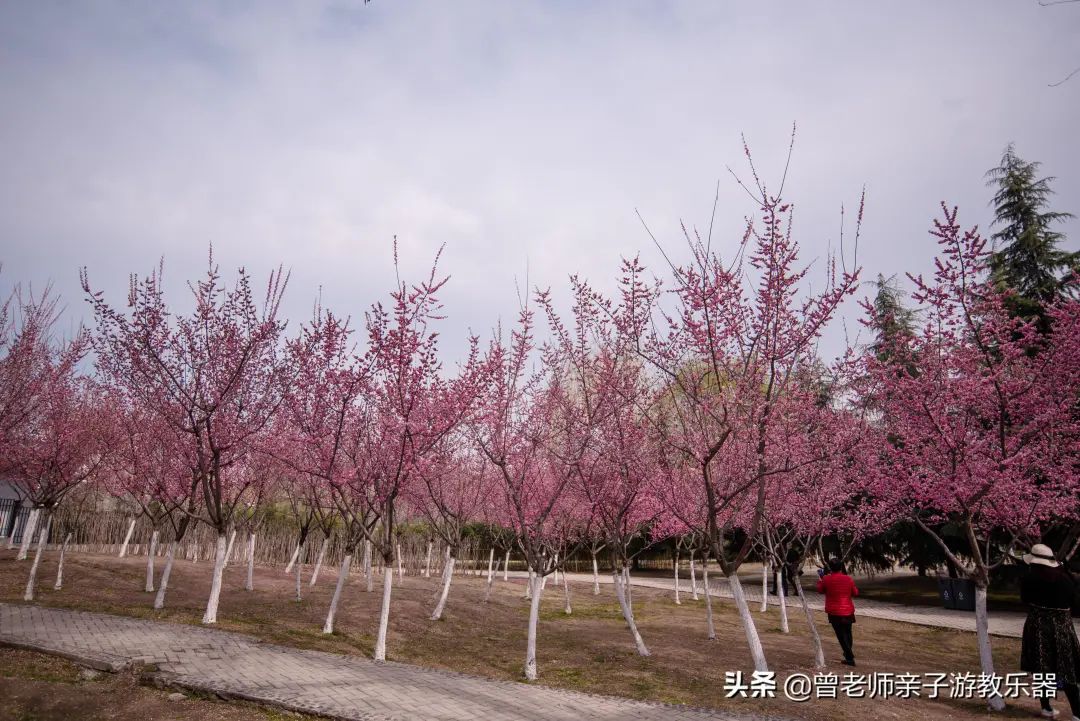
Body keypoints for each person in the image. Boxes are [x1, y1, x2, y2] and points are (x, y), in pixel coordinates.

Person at [1019, 543, 1080, 721]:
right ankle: (1077, 712)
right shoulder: (1065, 580)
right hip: (1061, 630)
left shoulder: (1028, 579)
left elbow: (1024, 600)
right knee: (1066, 670)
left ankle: (1046, 707)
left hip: (1036, 629)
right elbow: (1075, 605)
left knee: (1042, 670)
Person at [816, 558, 858, 666]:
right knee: (848, 634)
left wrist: (820, 580)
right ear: (841, 567)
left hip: (834, 612)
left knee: (841, 635)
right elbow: (855, 592)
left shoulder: (826, 579)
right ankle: (848, 654)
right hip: (848, 611)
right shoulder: (848, 579)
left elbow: (820, 590)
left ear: (830, 568)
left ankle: (849, 656)